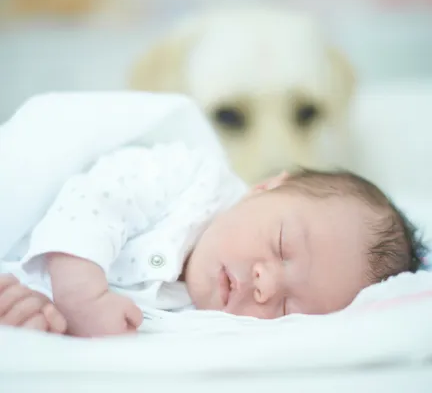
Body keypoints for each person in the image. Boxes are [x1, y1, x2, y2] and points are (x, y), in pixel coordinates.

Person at [0, 141, 425, 337]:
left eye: (287, 307)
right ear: (264, 187)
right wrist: (79, 294)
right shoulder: (191, 179)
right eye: (281, 244)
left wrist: (44, 309)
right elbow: (97, 197)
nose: (267, 284)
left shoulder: (205, 327)